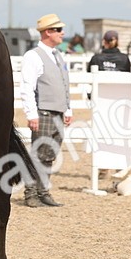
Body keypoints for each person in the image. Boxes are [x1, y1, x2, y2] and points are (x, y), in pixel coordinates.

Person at [19, 13, 74, 207]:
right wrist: (31, 114)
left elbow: (63, 84)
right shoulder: (33, 56)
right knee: (37, 154)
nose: (62, 33)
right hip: (43, 112)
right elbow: (27, 86)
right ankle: (31, 193)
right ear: (48, 32)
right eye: (58, 30)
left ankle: (43, 191)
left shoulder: (58, 56)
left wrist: (67, 109)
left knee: (50, 155)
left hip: (58, 113)